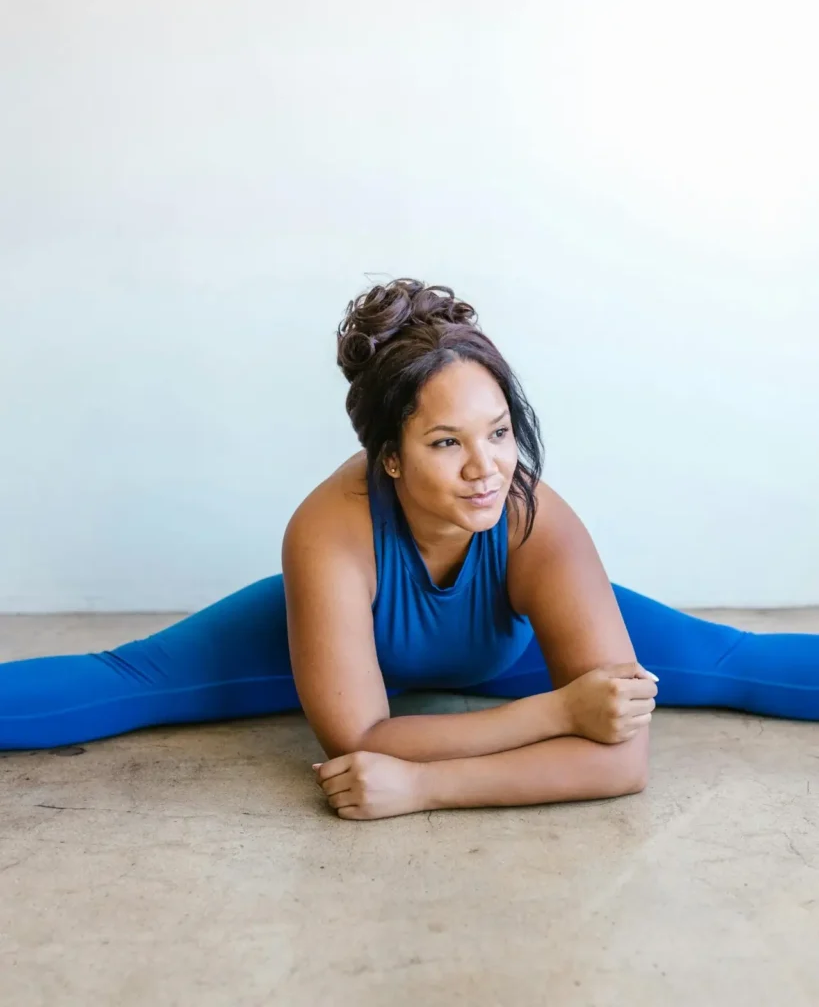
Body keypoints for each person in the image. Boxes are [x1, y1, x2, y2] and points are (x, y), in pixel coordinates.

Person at [2, 279, 817, 820]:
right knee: (127, 682)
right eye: (444, 442)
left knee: (733, 662)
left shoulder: (533, 516)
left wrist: (425, 785)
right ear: (388, 454)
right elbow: (360, 737)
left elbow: (620, 764)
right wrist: (558, 714)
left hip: (513, 646)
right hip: (342, 643)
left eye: (498, 433)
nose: (484, 468)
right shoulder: (328, 527)